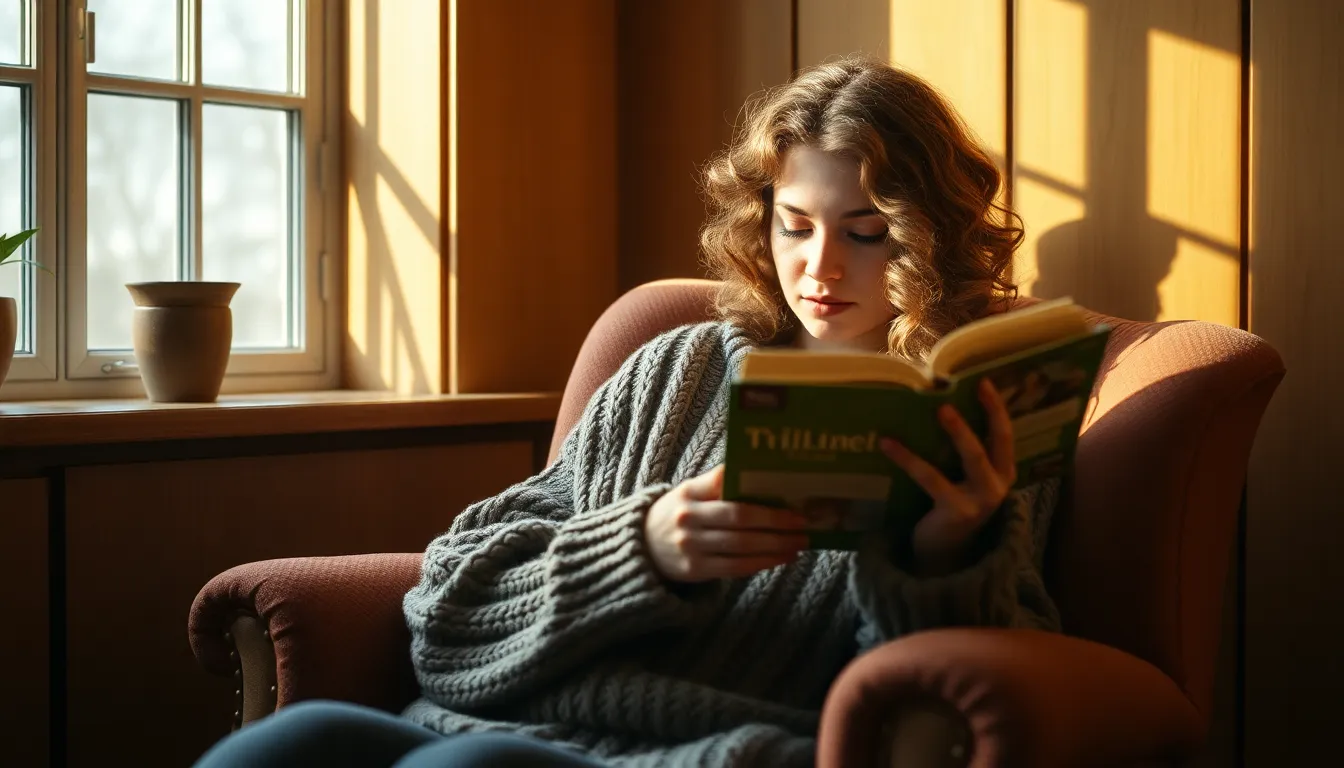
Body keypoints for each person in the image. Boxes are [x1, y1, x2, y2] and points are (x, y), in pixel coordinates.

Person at [193, 55, 1062, 768]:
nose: (820, 266)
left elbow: (983, 690)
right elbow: (449, 605)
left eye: (865, 232)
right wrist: (641, 548)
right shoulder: (674, 369)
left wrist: (944, 555)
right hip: (507, 719)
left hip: (697, 752)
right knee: (289, 744)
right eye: (795, 225)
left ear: (927, 234)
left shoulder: (972, 416)